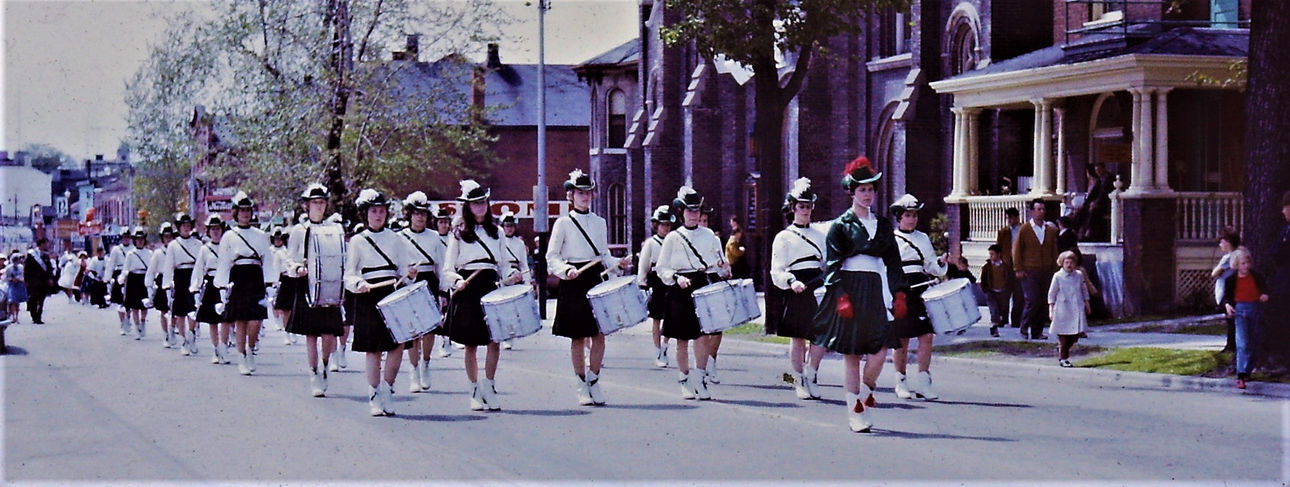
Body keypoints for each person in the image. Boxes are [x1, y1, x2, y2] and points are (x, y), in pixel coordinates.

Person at [812, 156, 906, 433]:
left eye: (871, 189)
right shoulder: (841, 225)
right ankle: (854, 407)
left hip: (875, 288)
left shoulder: (885, 224)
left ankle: (865, 389)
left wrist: (899, 293)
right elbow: (832, 264)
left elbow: (893, 261)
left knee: (881, 348)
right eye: (862, 189)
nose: (868, 194)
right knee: (851, 353)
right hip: (850, 288)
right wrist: (840, 295)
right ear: (852, 192)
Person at [546, 169, 628, 406]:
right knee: (578, 336)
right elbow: (552, 257)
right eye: (581, 193)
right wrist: (565, 270)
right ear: (571, 195)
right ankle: (581, 383)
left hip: (593, 277)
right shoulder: (563, 223)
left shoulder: (600, 223)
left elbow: (604, 255)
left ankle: (594, 379)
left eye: (588, 193)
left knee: (600, 333)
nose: (585, 197)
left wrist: (617, 263)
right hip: (573, 278)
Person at [442, 180, 519, 411]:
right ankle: (474, 390)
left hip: (491, 285)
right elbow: (447, 269)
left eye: (483, 202)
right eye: (475, 204)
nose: (480, 207)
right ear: (467, 206)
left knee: (494, 340)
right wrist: (457, 281)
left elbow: (503, 264)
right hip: (468, 288)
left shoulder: (497, 232)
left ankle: (489, 386)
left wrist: (512, 274)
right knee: (471, 345)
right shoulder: (457, 234)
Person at [656, 186, 729, 400]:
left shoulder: (710, 237)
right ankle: (684, 379)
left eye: (697, 211)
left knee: (703, 336)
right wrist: (676, 278)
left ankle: (701, 379)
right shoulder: (673, 237)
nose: (694, 215)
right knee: (681, 339)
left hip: (702, 284)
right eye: (690, 210)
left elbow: (719, 265)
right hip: (680, 287)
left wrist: (723, 266)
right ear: (682, 212)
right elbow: (662, 268)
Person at [345, 189, 414, 416]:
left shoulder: (397, 239)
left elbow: (404, 270)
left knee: (398, 344)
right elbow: (350, 273)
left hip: (392, 293)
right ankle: (374, 394)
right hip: (368, 295)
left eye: (382, 211)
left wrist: (410, 273)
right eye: (374, 211)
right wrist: (358, 284)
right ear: (366, 214)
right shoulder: (357, 241)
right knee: (372, 350)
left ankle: (387, 389)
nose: (378, 215)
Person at [284, 184, 348, 397]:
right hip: (307, 284)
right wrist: (297, 269)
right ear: (306, 206)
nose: (319, 207)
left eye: (322, 203)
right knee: (311, 334)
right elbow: (290, 258)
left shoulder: (333, 228)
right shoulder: (298, 230)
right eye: (315, 203)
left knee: (329, 333)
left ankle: (325, 365)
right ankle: (313, 373)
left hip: (329, 284)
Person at [769, 177, 828, 400]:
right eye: (801, 206)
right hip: (797, 287)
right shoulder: (783, 237)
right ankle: (798, 378)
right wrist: (791, 281)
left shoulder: (819, 235)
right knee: (798, 337)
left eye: (808, 206)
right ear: (793, 208)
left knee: (820, 336)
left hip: (816, 285)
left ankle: (812, 374)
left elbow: (825, 263)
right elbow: (777, 270)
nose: (805, 210)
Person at [889, 194, 949, 401]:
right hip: (901, 290)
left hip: (921, 289)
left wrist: (941, 263)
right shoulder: (891, 240)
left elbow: (932, 267)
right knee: (902, 339)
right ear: (899, 217)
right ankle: (901, 382)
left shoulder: (923, 238)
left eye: (914, 215)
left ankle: (924, 382)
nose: (912, 219)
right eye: (908, 215)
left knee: (926, 335)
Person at [215, 191, 278, 376]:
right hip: (238, 276)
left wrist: (269, 286)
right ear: (235, 213)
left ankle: (251, 349)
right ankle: (241, 356)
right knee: (240, 320)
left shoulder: (260, 235)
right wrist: (221, 287)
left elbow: (267, 260)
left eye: (248, 210)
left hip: (255, 275)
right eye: (241, 210)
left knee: (255, 320)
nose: (245, 214)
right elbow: (224, 261)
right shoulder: (229, 236)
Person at [398, 190, 443, 393]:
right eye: (416, 213)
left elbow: (441, 266)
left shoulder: (435, 237)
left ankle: (425, 363)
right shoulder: (400, 237)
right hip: (409, 282)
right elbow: (397, 263)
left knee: (430, 328)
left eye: (423, 213)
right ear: (409, 214)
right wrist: (406, 271)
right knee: (413, 329)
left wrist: (443, 292)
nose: (419, 217)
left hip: (428, 280)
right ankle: (413, 369)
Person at [1221, 248, 1270, 390]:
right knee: (1243, 343)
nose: (1246, 266)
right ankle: (1240, 375)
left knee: (1255, 342)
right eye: (1242, 263)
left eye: (1247, 262)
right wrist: (1227, 305)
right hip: (1240, 311)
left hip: (1255, 308)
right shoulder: (1231, 279)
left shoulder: (1256, 276)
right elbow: (1226, 297)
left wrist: (1264, 295)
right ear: (1236, 264)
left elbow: (1265, 290)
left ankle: (1248, 370)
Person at [1013, 199, 1058, 340]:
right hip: (1029, 270)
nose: (1041, 212)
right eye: (1038, 209)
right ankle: (1024, 326)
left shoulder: (1049, 230)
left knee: (1042, 301)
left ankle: (1037, 331)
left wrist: (1056, 268)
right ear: (1032, 211)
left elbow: (1054, 251)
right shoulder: (1025, 229)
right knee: (1032, 299)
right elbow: (1017, 250)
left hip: (1046, 270)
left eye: (1043, 209)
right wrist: (1018, 268)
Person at [636, 205, 675, 368]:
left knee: (671, 316)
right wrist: (642, 282)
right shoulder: (651, 243)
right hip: (656, 282)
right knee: (657, 318)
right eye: (662, 224)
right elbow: (643, 264)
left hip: (671, 280)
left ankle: (665, 346)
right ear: (656, 225)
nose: (665, 227)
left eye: (667, 224)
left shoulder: (674, 241)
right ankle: (657, 350)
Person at [164, 214, 203, 356]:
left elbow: (201, 263)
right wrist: (168, 286)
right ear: (179, 227)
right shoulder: (173, 245)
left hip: (193, 275)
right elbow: (169, 266)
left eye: (188, 226)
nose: (186, 228)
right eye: (183, 226)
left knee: (194, 309)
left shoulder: (198, 244)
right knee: (180, 312)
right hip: (180, 276)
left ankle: (191, 334)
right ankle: (184, 340)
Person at [498, 207, 533, 351]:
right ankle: (504, 335)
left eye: (512, 225)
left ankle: (510, 336)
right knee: (502, 308)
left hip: (516, 275)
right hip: (503, 275)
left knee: (513, 308)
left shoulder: (519, 244)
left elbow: (523, 263)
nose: (509, 228)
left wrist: (527, 281)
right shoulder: (498, 241)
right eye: (507, 226)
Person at [1049, 250, 1091, 367]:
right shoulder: (1058, 276)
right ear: (1062, 263)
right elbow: (1052, 294)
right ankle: (1063, 358)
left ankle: (1062, 350)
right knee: (1063, 335)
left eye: (1071, 263)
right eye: (1067, 262)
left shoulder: (1078, 275)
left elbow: (1084, 289)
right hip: (1063, 309)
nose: (1069, 265)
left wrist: (1087, 303)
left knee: (1075, 334)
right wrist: (1051, 309)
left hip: (1076, 308)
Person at [117, 228, 153, 338]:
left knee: (144, 305)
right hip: (133, 278)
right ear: (135, 240)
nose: (140, 241)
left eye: (142, 239)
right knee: (134, 306)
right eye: (138, 239)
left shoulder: (149, 253)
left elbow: (152, 268)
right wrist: (122, 279)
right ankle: (137, 327)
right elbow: (125, 268)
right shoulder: (130, 254)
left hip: (144, 277)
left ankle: (143, 322)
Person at [147, 223, 177, 347]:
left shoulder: (177, 251)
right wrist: (149, 286)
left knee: (175, 309)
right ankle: (165, 334)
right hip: (162, 279)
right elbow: (151, 270)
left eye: (170, 236)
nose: (168, 239)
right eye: (166, 237)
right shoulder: (158, 253)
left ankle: (172, 329)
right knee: (163, 309)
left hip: (175, 279)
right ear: (162, 238)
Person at [431, 207, 455, 359]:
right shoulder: (433, 239)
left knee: (451, 312)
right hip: (438, 279)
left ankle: (448, 340)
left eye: (446, 222)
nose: (444, 225)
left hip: (452, 280)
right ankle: (442, 339)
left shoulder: (453, 238)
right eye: (441, 222)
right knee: (440, 312)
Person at [1211, 232, 1241, 353]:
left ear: (1228, 242)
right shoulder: (1238, 254)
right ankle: (1231, 344)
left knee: (1230, 319)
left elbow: (1214, 273)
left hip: (1226, 291)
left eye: (1222, 241)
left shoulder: (1228, 257)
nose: (1220, 244)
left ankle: (1231, 345)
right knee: (1231, 319)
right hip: (1233, 291)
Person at [995, 208, 1024, 330]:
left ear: (1017, 218)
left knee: (1018, 294)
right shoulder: (1003, 232)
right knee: (1004, 294)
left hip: (1019, 265)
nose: (1010, 220)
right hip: (1007, 265)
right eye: (1008, 218)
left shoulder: (1023, 230)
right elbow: (998, 248)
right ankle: (1003, 317)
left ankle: (1016, 319)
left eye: (1012, 218)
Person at [980, 245, 1014, 338]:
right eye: (990, 254)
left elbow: (1010, 279)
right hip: (991, 292)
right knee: (994, 310)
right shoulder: (987, 267)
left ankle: (1001, 321)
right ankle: (994, 328)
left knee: (1002, 310)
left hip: (1002, 292)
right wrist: (986, 290)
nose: (991, 256)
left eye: (993, 254)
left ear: (999, 254)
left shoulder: (1006, 267)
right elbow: (983, 279)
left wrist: (1008, 290)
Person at [107, 228, 134, 333]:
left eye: (127, 237)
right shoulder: (116, 250)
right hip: (119, 272)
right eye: (124, 237)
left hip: (130, 274)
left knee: (130, 300)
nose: (126, 239)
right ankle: (122, 322)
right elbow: (111, 264)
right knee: (119, 300)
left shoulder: (133, 249)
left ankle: (128, 318)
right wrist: (108, 279)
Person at [24, 238, 56, 325]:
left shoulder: (46, 256)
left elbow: (49, 268)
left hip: (43, 281)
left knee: (41, 299)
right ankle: (34, 315)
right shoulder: (31, 255)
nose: (47, 246)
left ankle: (39, 317)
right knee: (33, 298)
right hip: (33, 281)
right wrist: (26, 280)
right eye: (46, 244)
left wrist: (50, 278)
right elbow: (26, 268)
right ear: (41, 244)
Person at [3, 252, 24, 323]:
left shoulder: (21, 267)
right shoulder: (8, 268)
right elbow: (5, 277)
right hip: (11, 285)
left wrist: (19, 279)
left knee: (17, 302)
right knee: (12, 301)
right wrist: (11, 279)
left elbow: (23, 275)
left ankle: (17, 317)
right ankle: (13, 316)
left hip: (19, 285)